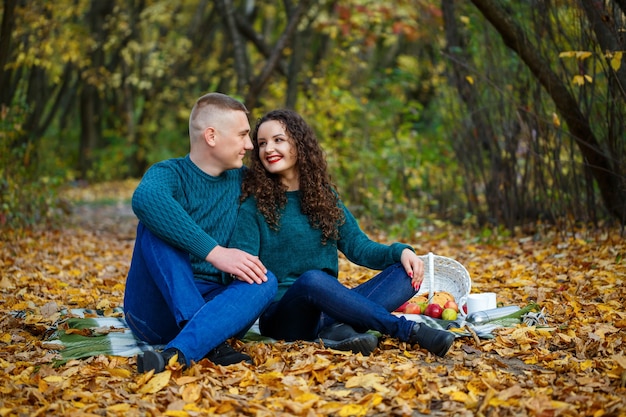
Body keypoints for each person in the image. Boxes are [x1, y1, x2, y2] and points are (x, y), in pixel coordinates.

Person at [228, 109, 455, 357]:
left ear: (299, 143)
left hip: (328, 308)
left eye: (277, 140)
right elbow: (243, 267)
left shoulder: (323, 197)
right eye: (262, 143)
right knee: (312, 280)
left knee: (407, 274)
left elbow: (359, 247)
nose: (268, 149)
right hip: (284, 315)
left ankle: (337, 330)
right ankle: (408, 331)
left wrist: (400, 251)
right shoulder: (253, 206)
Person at [123, 93, 278, 374]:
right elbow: (146, 199)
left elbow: (294, 179)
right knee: (154, 224)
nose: (249, 144)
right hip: (155, 313)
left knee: (265, 280)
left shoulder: (245, 181)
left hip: (218, 309)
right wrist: (215, 253)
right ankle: (206, 341)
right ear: (211, 136)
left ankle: (179, 353)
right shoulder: (169, 173)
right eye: (243, 134)